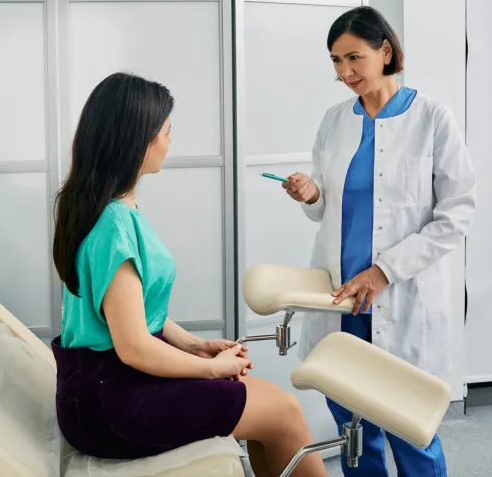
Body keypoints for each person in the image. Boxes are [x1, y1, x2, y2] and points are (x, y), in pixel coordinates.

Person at [51, 72, 328, 477]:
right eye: (166, 131)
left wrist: (194, 345)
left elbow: (129, 312)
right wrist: (212, 369)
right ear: (137, 141)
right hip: (112, 402)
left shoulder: (101, 207)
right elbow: (134, 348)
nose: (169, 141)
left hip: (103, 389)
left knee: (267, 406)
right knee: (284, 411)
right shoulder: (114, 225)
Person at [282, 7, 476, 477]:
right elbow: (325, 209)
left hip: (401, 297)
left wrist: (386, 269)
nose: (344, 72)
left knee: (411, 432)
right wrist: (311, 193)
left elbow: (457, 212)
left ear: (385, 51)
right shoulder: (334, 120)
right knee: (354, 434)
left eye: (354, 57)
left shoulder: (433, 119)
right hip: (342, 300)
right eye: (335, 61)